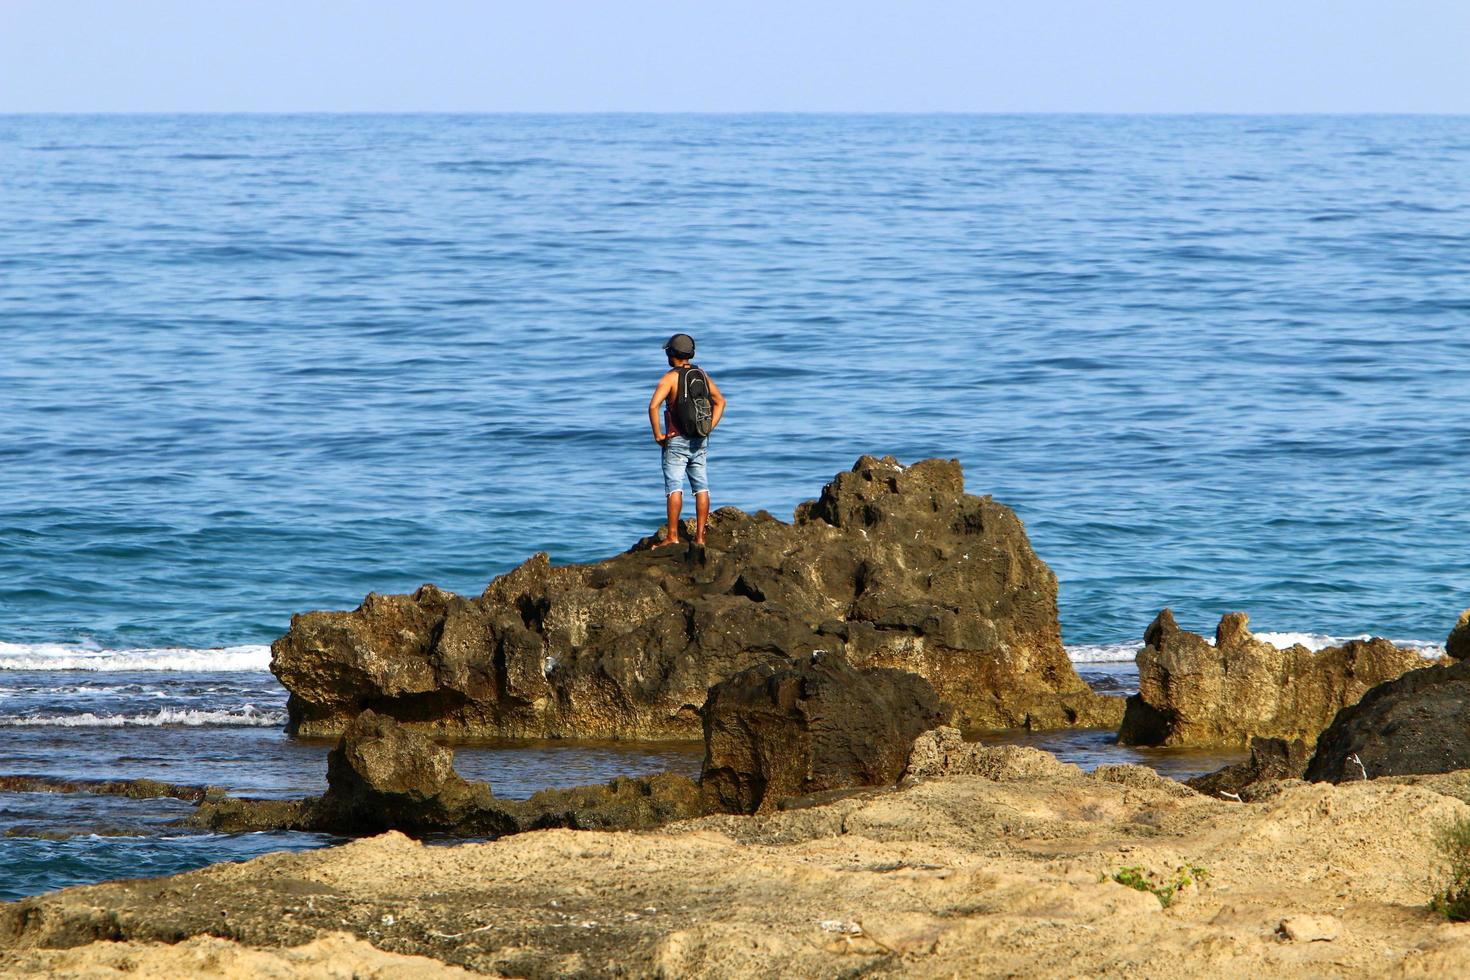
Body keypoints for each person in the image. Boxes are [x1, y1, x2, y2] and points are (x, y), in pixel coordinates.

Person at [648, 333, 725, 547]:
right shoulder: (701, 374)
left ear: (672, 354)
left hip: (676, 440)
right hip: (700, 439)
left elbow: (653, 406)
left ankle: (673, 536)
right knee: (701, 487)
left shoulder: (670, 378)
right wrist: (708, 428)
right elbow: (720, 402)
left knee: (674, 487)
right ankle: (700, 538)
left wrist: (658, 436)